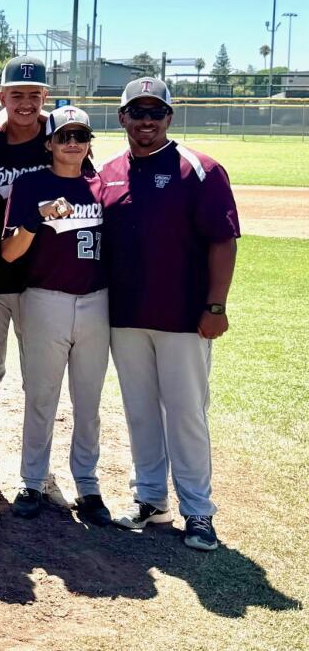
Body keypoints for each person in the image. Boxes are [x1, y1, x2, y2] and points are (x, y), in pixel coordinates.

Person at [100, 78, 240, 551]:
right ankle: (152, 499)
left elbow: (223, 241)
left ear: (169, 118)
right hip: (126, 315)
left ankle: (198, 511)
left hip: (184, 316)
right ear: (121, 117)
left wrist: (215, 306)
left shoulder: (199, 169)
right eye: (136, 111)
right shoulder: (108, 172)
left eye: (155, 112)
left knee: (185, 415)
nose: (145, 120)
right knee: (139, 412)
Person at [0, 106, 111, 526]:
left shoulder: (102, 186)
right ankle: (32, 480)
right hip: (45, 298)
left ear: (88, 142)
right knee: (41, 396)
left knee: (88, 401)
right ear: (48, 143)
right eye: (63, 136)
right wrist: (37, 216)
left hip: (96, 301)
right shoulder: (30, 185)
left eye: (80, 135)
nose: (72, 143)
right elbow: (9, 252)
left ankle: (88, 484)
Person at [0, 56, 54, 501]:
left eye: (34, 95)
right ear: (2, 98)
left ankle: (39, 472)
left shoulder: (57, 140)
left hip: (43, 280)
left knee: (41, 379)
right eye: (16, 95)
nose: (25, 103)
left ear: (46, 98)